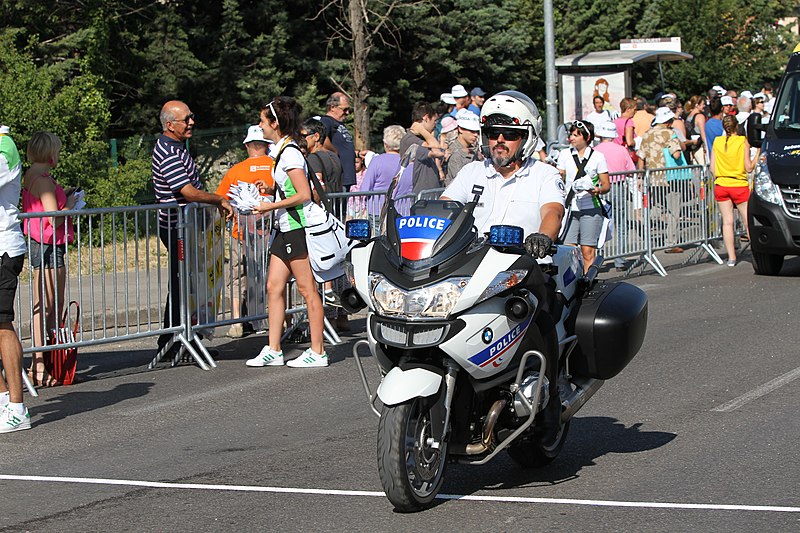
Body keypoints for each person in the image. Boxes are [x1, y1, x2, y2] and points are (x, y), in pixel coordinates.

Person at [248, 96, 327, 368]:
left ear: (275, 123)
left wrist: (270, 204)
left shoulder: (291, 152)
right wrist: (272, 190)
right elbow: (293, 189)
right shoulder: (282, 151)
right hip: (284, 227)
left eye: (262, 121)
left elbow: (304, 194)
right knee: (273, 286)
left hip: (296, 226)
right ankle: (274, 348)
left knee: (307, 289)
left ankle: (318, 351)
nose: (260, 126)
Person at [152, 100, 233, 359]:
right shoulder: (167, 150)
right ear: (169, 124)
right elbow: (187, 192)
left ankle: (181, 337)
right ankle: (172, 341)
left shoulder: (177, 147)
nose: (191, 123)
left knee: (187, 283)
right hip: (177, 227)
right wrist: (218, 199)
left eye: (191, 117)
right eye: (186, 119)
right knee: (181, 283)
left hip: (186, 226)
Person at [441, 90, 565, 254]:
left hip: (527, 264)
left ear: (526, 138)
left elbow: (553, 212)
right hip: (471, 263)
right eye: (493, 133)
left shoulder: (545, 175)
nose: (500, 139)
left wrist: (542, 237)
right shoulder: (471, 172)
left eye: (509, 134)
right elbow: (443, 208)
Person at [21, 131, 74, 387]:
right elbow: (54, 216)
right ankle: (40, 363)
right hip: (50, 244)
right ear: (50, 151)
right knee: (50, 303)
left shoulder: (30, 175)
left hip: (40, 242)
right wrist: (72, 203)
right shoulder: (43, 179)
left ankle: (42, 361)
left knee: (45, 303)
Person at [214, 125, 273, 338]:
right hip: (270, 231)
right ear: (267, 145)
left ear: (247, 145)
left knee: (237, 274)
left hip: (241, 232)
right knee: (271, 274)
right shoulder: (275, 166)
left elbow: (221, 199)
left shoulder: (236, 171)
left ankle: (237, 321)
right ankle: (272, 318)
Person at [0, 125, 30, 432]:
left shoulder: (4, 145)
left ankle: (18, 407)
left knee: (1, 324)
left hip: (4, 250)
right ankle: (2, 400)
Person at [557, 121, 610, 273]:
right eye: (571, 135)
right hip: (570, 209)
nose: (571, 138)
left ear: (587, 137)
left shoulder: (598, 157)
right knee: (568, 250)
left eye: (576, 135)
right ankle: (571, 283)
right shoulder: (564, 154)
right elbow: (559, 176)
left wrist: (597, 190)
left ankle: (588, 281)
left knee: (588, 250)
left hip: (591, 208)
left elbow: (606, 185)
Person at [710, 115, 758, 267]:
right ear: (737, 126)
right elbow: (749, 167)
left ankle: (731, 258)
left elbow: (712, 168)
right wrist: (758, 153)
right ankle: (757, 252)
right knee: (747, 222)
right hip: (739, 184)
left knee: (727, 222)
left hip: (722, 184)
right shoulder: (742, 141)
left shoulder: (717, 142)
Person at [637, 107, 684, 253]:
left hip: (652, 176)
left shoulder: (647, 134)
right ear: (669, 121)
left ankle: (647, 236)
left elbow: (641, 156)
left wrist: (640, 176)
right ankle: (671, 242)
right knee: (673, 209)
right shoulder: (670, 133)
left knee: (656, 206)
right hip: (669, 177)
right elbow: (676, 154)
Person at [594, 122, 636, 271]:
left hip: (599, 188)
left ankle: (597, 259)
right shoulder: (621, 150)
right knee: (621, 224)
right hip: (617, 186)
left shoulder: (595, 151)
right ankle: (620, 260)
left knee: (599, 224)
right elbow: (631, 170)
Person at [360, 125, 404, 234]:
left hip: (378, 209)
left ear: (385, 144)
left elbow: (365, 188)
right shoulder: (407, 163)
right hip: (403, 209)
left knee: (381, 243)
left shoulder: (377, 161)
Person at [399, 102, 444, 194]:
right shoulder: (410, 139)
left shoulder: (422, 139)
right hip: (419, 197)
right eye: (434, 121)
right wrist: (421, 129)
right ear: (426, 118)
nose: (435, 125)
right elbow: (436, 149)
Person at [320, 92, 356, 192]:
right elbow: (322, 138)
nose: (347, 112)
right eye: (344, 109)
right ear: (332, 107)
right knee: (337, 207)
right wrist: (334, 151)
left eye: (348, 109)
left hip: (346, 177)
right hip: (338, 178)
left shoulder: (340, 124)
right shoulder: (326, 121)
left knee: (343, 207)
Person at [303, 117, 343, 196]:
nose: (300, 139)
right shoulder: (334, 156)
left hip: (323, 204)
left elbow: (317, 188)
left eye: (304, 136)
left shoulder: (313, 158)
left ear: (316, 136)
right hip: (336, 203)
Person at [444, 109, 480, 186]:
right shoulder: (454, 151)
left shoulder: (475, 150)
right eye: (472, 131)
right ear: (460, 129)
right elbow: (459, 181)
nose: (475, 135)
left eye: (477, 131)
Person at [684, 95, 709, 165]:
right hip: (700, 147)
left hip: (692, 148)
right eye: (703, 104)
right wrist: (706, 146)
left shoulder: (688, 117)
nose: (704, 106)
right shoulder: (700, 117)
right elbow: (703, 134)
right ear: (697, 105)